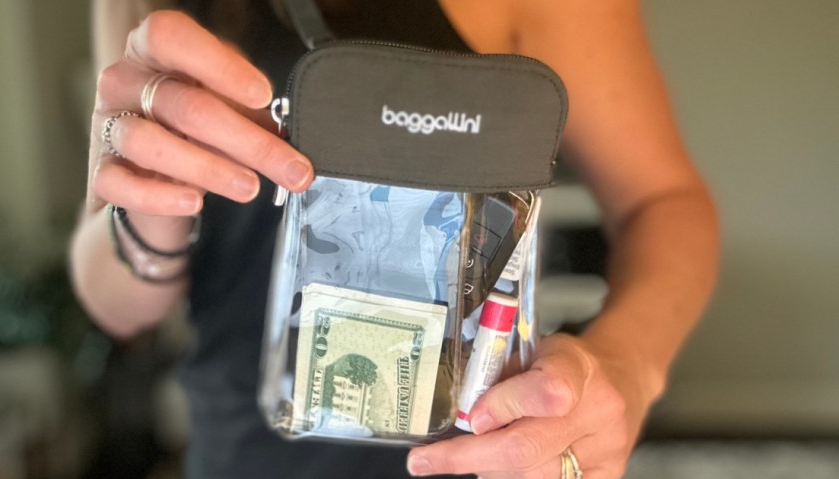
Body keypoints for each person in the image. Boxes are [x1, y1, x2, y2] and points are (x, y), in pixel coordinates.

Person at [69, 0, 720, 477]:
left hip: (479, 452)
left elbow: (664, 202)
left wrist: (629, 368)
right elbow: (112, 302)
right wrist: (152, 210)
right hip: (242, 450)